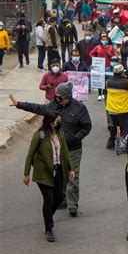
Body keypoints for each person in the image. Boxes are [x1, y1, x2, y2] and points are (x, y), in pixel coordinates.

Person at [11, 81, 92, 217]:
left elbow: (87, 126)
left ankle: (72, 207)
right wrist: (19, 104)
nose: (57, 98)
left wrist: (74, 138)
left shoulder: (79, 108)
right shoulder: (54, 105)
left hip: (72, 149)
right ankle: (62, 199)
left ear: (67, 97)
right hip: (56, 149)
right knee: (60, 175)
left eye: (60, 96)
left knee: (73, 176)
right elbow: (38, 108)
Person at [23, 111, 75, 242]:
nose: (59, 122)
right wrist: (26, 174)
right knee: (49, 200)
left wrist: (71, 169)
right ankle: (49, 229)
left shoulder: (59, 134)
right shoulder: (39, 136)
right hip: (43, 173)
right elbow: (30, 155)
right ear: (51, 122)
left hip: (58, 171)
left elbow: (65, 153)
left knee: (58, 198)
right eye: (58, 120)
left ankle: (48, 217)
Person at [106, 64, 128, 149]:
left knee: (115, 125)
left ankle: (111, 142)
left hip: (111, 109)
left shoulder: (108, 82)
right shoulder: (127, 83)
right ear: (122, 73)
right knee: (127, 127)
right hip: (122, 110)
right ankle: (125, 145)